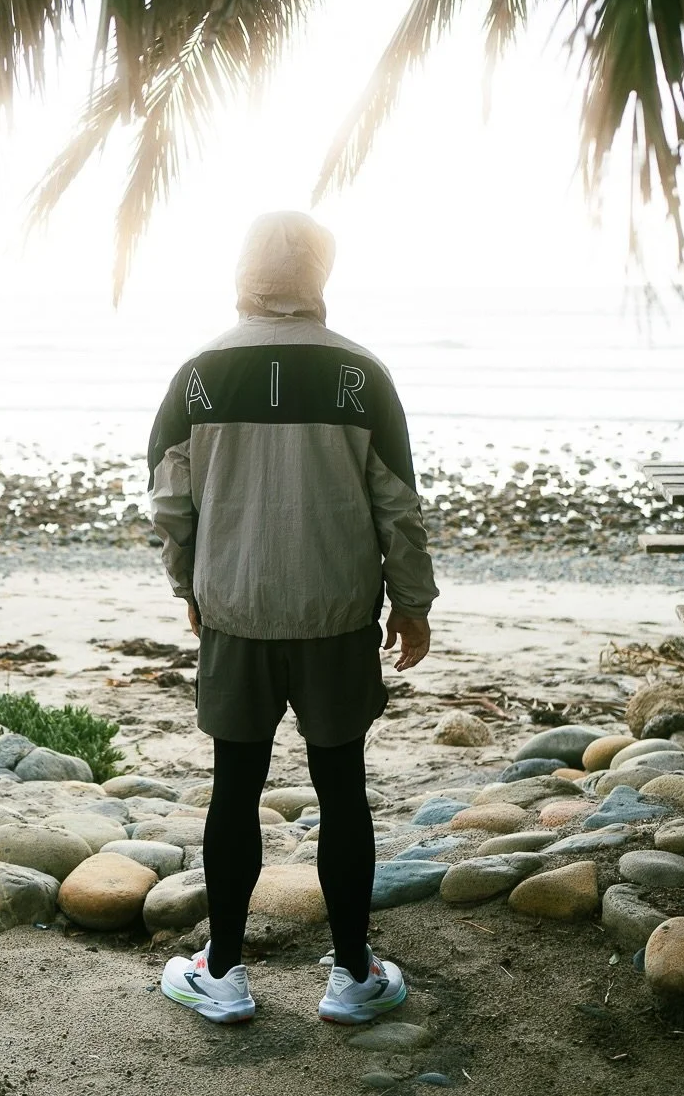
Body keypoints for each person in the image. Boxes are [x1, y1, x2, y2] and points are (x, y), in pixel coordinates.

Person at [147, 211, 438, 1025]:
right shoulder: (361, 373)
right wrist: (410, 601)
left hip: (236, 613)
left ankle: (224, 971)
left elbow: (170, 506)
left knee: (232, 789)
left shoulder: (199, 374)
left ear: (242, 274)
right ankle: (351, 975)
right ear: (320, 275)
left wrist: (191, 589)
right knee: (341, 789)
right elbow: (396, 505)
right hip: (337, 615)